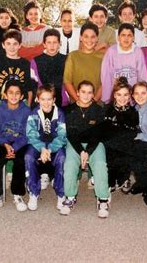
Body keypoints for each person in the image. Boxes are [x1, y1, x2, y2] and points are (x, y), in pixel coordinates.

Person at [60, 81, 111, 218]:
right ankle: (70, 197)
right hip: (75, 143)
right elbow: (71, 134)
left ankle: (102, 199)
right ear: (77, 92)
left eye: (89, 92)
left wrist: (87, 151)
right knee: (70, 164)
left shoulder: (99, 110)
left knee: (100, 164)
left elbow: (98, 134)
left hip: (94, 144)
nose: (86, 95)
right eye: (83, 91)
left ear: (93, 94)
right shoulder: (69, 110)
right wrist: (81, 152)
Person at [0, 80, 31, 213]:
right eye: (10, 93)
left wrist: (14, 148)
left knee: (21, 161)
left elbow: (27, 134)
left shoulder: (26, 111)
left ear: (22, 96)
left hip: (20, 143)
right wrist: (5, 145)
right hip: (2, 142)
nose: (14, 96)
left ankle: (17, 194)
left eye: (17, 93)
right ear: (5, 95)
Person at [25, 85, 67, 211]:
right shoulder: (33, 113)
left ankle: (61, 193)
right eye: (43, 99)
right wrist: (42, 148)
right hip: (38, 144)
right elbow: (31, 134)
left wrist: (49, 149)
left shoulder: (59, 114)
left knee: (62, 158)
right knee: (28, 157)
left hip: (54, 145)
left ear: (54, 100)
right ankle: (34, 192)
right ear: (37, 99)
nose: (46, 102)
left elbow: (62, 136)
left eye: (49, 99)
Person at [101, 23, 147, 104]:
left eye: (129, 35)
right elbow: (105, 76)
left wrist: (141, 95)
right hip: (116, 96)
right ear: (118, 37)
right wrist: (108, 98)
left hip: (133, 97)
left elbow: (142, 75)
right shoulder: (111, 51)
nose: (126, 38)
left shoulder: (137, 51)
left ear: (133, 37)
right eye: (123, 35)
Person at [0, 29, 33, 108]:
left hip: (21, 106)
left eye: (15, 44)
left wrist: (28, 108)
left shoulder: (25, 63)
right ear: (3, 45)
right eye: (8, 44)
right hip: (2, 105)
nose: (12, 47)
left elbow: (29, 90)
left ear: (20, 45)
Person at [63, 22, 104, 103]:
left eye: (93, 37)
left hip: (96, 105)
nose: (89, 40)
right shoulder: (72, 56)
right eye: (86, 36)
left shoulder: (103, 57)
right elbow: (67, 81)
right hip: (76, 105)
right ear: (81, 38)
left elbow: (105, 82)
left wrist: (94, 100)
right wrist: (78, 100)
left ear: (97, 39)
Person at [31, 28, 68, 107]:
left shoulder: (66, 60)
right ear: (44, 44)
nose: (52, 45)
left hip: (63, 103)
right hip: (42, 103)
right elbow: (33, 84)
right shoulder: (36, 61)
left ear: (59, 44)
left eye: (55, 42)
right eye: (49, 42)